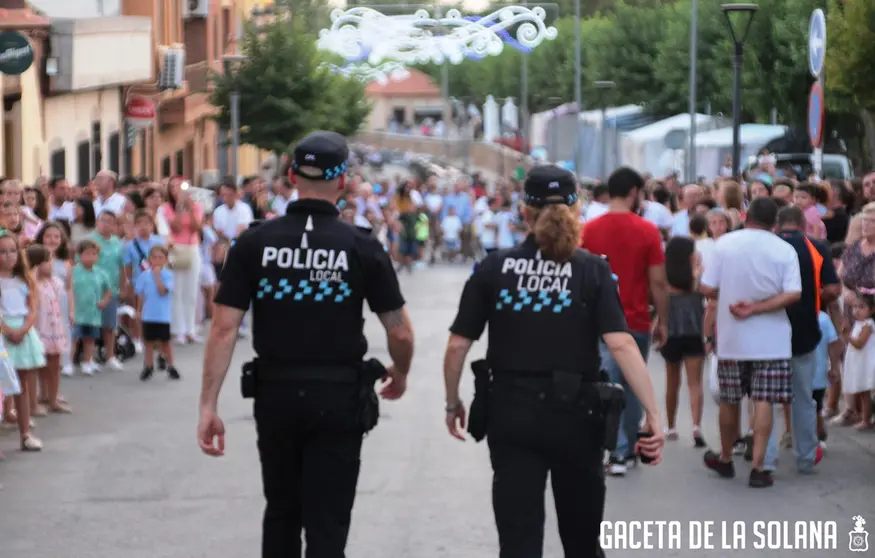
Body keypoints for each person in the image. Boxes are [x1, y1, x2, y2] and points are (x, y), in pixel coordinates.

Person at [197, 131, 414, 558]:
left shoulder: (255, 243)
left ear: (292, 176)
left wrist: (208, 405)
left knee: (281, 511)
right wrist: (401, 371)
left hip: (276, 393)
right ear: (344, 182)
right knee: (327, 520)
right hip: (338, 395)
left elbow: (223, 329)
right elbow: (400, 331)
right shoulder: (362, 246)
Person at [443, 165, 664, 558]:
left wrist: (452, 402)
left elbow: (458, 345)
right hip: (577, 415)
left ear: (523, 211)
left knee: (518, 541)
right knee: (581, 542)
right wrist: (653, 414)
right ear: (576, 207)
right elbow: (622, 345)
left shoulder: (494, 267)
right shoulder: (592, 269)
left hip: (511, 412)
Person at [700, 197, 802, 488]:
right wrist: (757, 307)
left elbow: (707, 287)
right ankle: (759, 466)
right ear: (775, 223)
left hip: (732, 335)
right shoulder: (785, 249)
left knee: (730, 399)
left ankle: (725, 457)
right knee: (764, 400)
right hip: (772, 337)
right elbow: (793, 293)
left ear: (745, 216)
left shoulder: (724, 245)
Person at [581, 167, 668, 476]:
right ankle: (624, 449)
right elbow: (658, 282)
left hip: (596, 321)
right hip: (635, 319)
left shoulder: (589, 229)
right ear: (633, 193)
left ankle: (616, 449)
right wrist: (664, 320)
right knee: (632, 384)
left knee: (607, 383)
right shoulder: (647, 231)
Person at [660, 236, 707, 447]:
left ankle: (671, 427)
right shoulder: (695, 276)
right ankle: (696, 425)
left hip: (671, 332)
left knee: (672, 381)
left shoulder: (665, 278)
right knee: (695, 382)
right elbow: (702, 292)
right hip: (694, 331)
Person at [136, 245, 178, 381]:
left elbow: (163, 291)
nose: (157, 260)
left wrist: (157, 276)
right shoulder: (144, 276)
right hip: (149, 314)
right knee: (148, 342)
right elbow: (140, 294)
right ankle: (148, 366)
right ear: (149, 260)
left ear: (165, 260)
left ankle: (171, 366)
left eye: (161, 258)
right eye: (154, 258)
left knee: (165, 342)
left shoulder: (169, 275)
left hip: (162, 315)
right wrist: (138, 310)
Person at [842, 289, 875, 429]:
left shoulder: (868, 325)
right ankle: (863, 417)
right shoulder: (859, 324)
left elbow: (860, 344)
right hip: (859, 363)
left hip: (865, 364)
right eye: (854, 307)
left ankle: (866, 421)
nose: (857, 311)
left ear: (872, 310)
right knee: (862, 391)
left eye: (861, 307)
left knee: (865, 392)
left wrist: (847, 335)